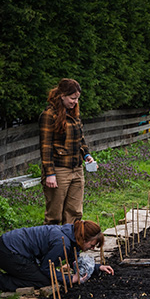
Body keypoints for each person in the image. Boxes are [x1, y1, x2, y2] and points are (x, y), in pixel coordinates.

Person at [0, 220, 115, 294]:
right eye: (91, 245)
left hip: (8, 246)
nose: (91, 249)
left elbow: (73, 259)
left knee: (37, 274)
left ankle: (14, 274)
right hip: (7, 252)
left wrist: (97, 268)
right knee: (43, 280)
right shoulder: (62, 243)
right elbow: (47, 269)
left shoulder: (71, 234)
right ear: (83, 238)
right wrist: (70, 279)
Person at [39, 78, 96, 225]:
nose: (75, 102)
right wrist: (50, 173)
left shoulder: (74, 114)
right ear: (62, 95)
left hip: (77, 169)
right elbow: (45, 146)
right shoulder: (49, 115)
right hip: (59, 170)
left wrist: (87, 155)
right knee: (55, 215)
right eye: (72, 98)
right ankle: (52, 244)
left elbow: (80, 139)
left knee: (75, 212)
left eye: (77, 99)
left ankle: (70, 245)